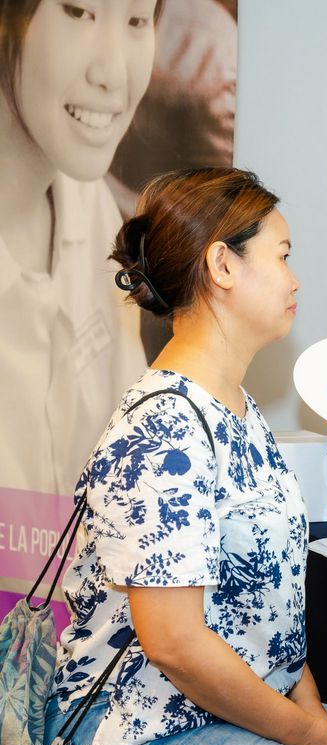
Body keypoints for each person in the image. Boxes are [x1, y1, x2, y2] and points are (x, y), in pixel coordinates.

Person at [43, 168, 327, 745]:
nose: (294, 279)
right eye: (282, 256)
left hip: (218, 707)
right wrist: (310, 736)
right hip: (131, 733)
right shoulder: (163, 428)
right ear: (223, 266)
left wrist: (310, 712)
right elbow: (176, 646)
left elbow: (270, 617)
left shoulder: (236, 407)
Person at [0, 0, 157, 494]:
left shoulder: (92, 208)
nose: (113, 74)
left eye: (137, 20)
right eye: (78, 12)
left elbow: (129, 458)